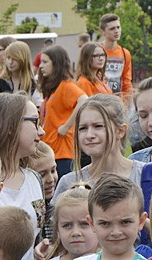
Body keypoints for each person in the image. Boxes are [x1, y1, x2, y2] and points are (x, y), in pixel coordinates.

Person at [0, 93, 46, 250]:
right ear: (10, 126)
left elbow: (37, 239)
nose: (41, 131)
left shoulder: (35, 179)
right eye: (35, 122)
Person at [51, 95, 146, 203]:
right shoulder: (70, 182)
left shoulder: (146, 175)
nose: (89, 135)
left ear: (120, 131)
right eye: (83, 128)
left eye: (98, 126)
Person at [37, 45, 88, 178]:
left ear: (56, 63)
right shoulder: (53, 88)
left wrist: (66, 126)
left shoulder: (66, 86)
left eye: (45, 62)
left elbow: (84, 100)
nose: (40, 66)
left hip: (62, 151)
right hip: (49, 148)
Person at [27, 142, 59, 247]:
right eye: (42, 175)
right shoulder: (33, 208)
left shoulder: (54, 207)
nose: (50, 179)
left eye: (53, 170)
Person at [0, 40, 42, 106]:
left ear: (23, 59)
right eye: (8, 58)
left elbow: (39, 106)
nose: (10, 62)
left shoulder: (32, 84)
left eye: (14, 59)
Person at [99, 13, 132, 102]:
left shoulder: (125, 53)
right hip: (99, 100)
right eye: (112, 28)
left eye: (118, 27)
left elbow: (126, 82)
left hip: (117, 101)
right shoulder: (96, 51)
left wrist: (127, 103)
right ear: (102, 31)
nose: (116, 31)